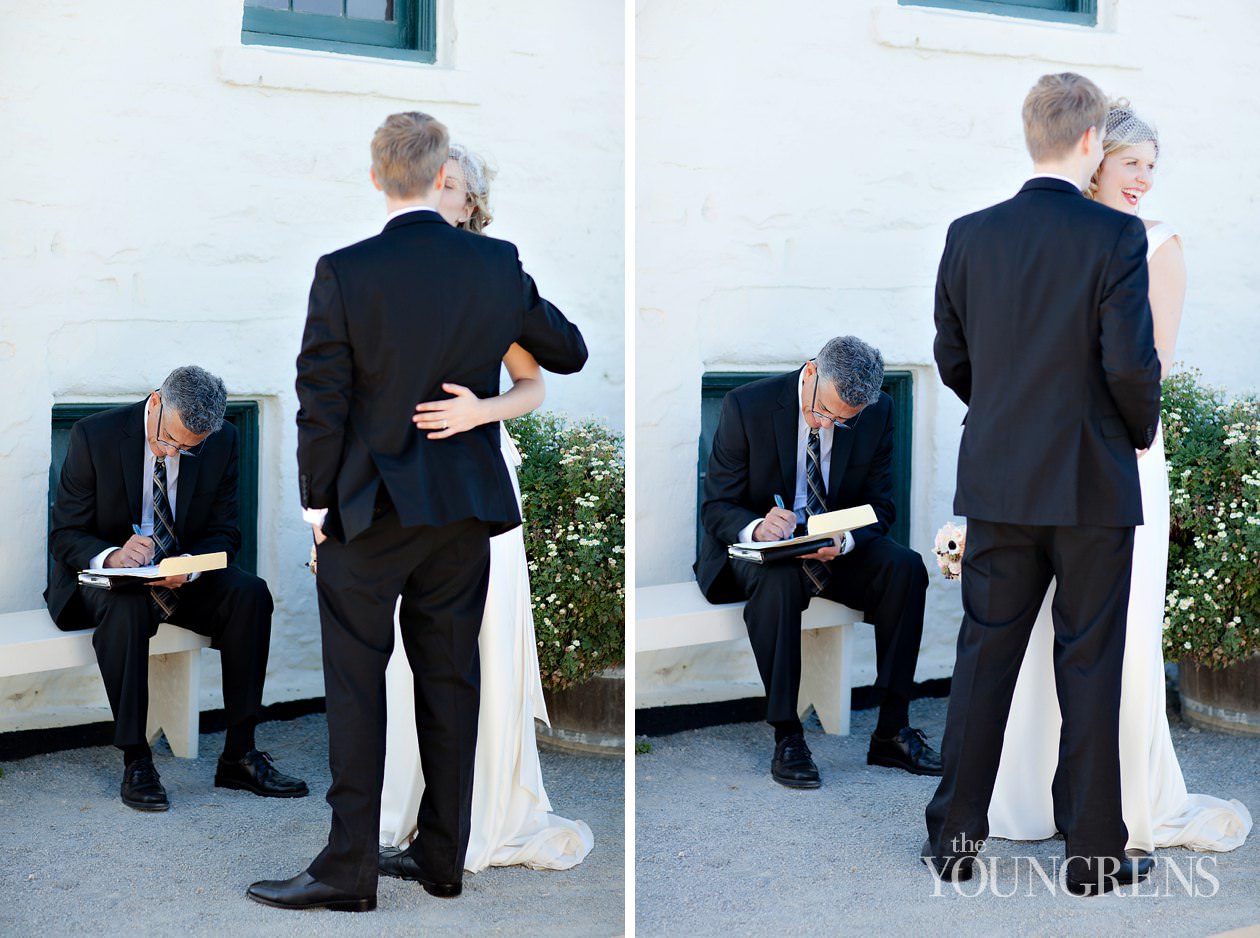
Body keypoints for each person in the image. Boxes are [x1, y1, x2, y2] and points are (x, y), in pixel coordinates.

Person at [248, 112, 587, 913]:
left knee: (358, 690)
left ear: (377, 178)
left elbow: (319, 402)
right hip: (462, 512)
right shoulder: (497, 263)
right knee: (450, 679)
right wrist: (492, 360)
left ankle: (348, 871)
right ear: (443, 176)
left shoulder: (343, 270)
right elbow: (566, 351)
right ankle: (442, 858)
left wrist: (315, 510)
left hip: (369, 513)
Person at [986, 101, 1253, 853]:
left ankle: (1118, 800)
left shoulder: (1157, 245)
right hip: (1041, 462)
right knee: (1043, 631)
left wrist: (1104, 434)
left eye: (1152, 168)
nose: (1142, 179)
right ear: (1094, 155)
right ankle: (1034, 795)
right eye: (1131, 162)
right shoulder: (1053, 232)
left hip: (1121, 453)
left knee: (1112, 631)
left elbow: (1153, 366)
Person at [925, 73, 1163, 897]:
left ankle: (953, 838)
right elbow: (1131, 365)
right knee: (1088, 664)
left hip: (998, 481)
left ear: (1033, 136)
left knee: (983, 659)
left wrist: (1004, 418)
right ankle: (1093, 855)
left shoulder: (967, 235)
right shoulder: (1113, 236)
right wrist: (1135, 433)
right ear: (1093, 141)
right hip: (1092, 482)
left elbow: (954, 360)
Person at [377, 142, 594, 872]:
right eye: (434, 180)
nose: (443, 191)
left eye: (457, 186)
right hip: (396, 490)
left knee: (476, 649)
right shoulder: (382, 267)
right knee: (409, 657)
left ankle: (476, 814)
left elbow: (537, 380)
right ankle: (406, 808)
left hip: (474, 487)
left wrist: (481, 413)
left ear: (472, 206)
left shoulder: (493, 278)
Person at [45, 365, 308, 812]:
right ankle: (136, 758)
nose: (174, 452)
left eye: (189, 449)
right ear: (155, 401)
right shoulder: (96, 436)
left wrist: (188, 565)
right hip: (110, 578)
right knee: (125, 608)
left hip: (181, 576)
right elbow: (65, 533)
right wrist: (113, 556)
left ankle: (239, 755)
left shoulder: (221, 439)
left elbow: (225, 531)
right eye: (169, 441)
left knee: (251, 594)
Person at [695, 335, 941, 790]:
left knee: (906, 568)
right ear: (810, 373)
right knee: (780, 582)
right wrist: (758, 528)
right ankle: (788, 735)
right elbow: (716, 507)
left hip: (831, 545)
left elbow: (880, 507)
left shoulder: (877, 411)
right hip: (760, 549)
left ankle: (892, 730)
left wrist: (845, 540)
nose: (826, 423)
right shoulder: (746, 405)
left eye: (840, 421)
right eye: (822, 411)